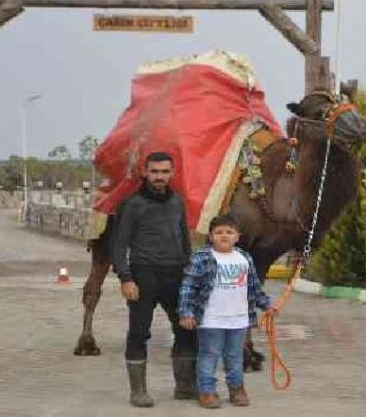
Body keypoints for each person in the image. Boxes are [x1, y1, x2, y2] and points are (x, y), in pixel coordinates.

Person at [112, 151, 197, 407]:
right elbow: (118, 246)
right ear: (145, 172)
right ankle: (138, 391)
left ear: (172, 173)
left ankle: (184, 386)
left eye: (164, 172)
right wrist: (126, 278)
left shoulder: (177, 203)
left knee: (187, 330)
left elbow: (185, 241)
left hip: (176, 276)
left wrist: (190, 276)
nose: (159, 176)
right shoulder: (132, 204)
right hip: (143, 276)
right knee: (139, 333)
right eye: (154, 171)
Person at [178, 214, 275, 409]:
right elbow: (188, 286)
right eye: (219, 232)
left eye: (229, 232)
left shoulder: (244, 258)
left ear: (237, 236)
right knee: (209, 354)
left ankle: (236, 389)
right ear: (211, 236)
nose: (224, 236)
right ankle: (206, 391)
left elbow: (253, 287)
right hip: (211, 319)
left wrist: (266, 305)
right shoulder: (202, 257)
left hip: (238, 320)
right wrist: (186, 312)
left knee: (235, 356)